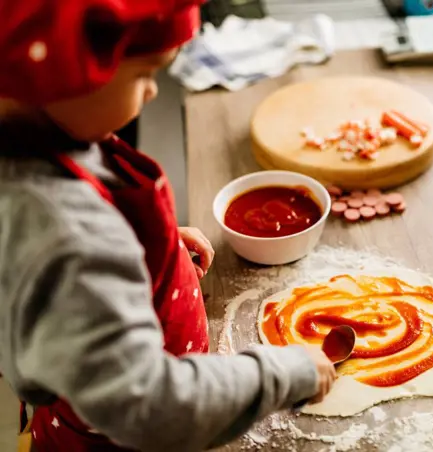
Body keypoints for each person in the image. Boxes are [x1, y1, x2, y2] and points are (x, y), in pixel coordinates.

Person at [0, 1, 336, 451]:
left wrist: (146, 241)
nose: (154, 92)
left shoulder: (36, 142)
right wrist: (284, 372)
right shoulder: (69, 236)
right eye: (144, 75)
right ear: (60, 79)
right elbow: (153, 408)